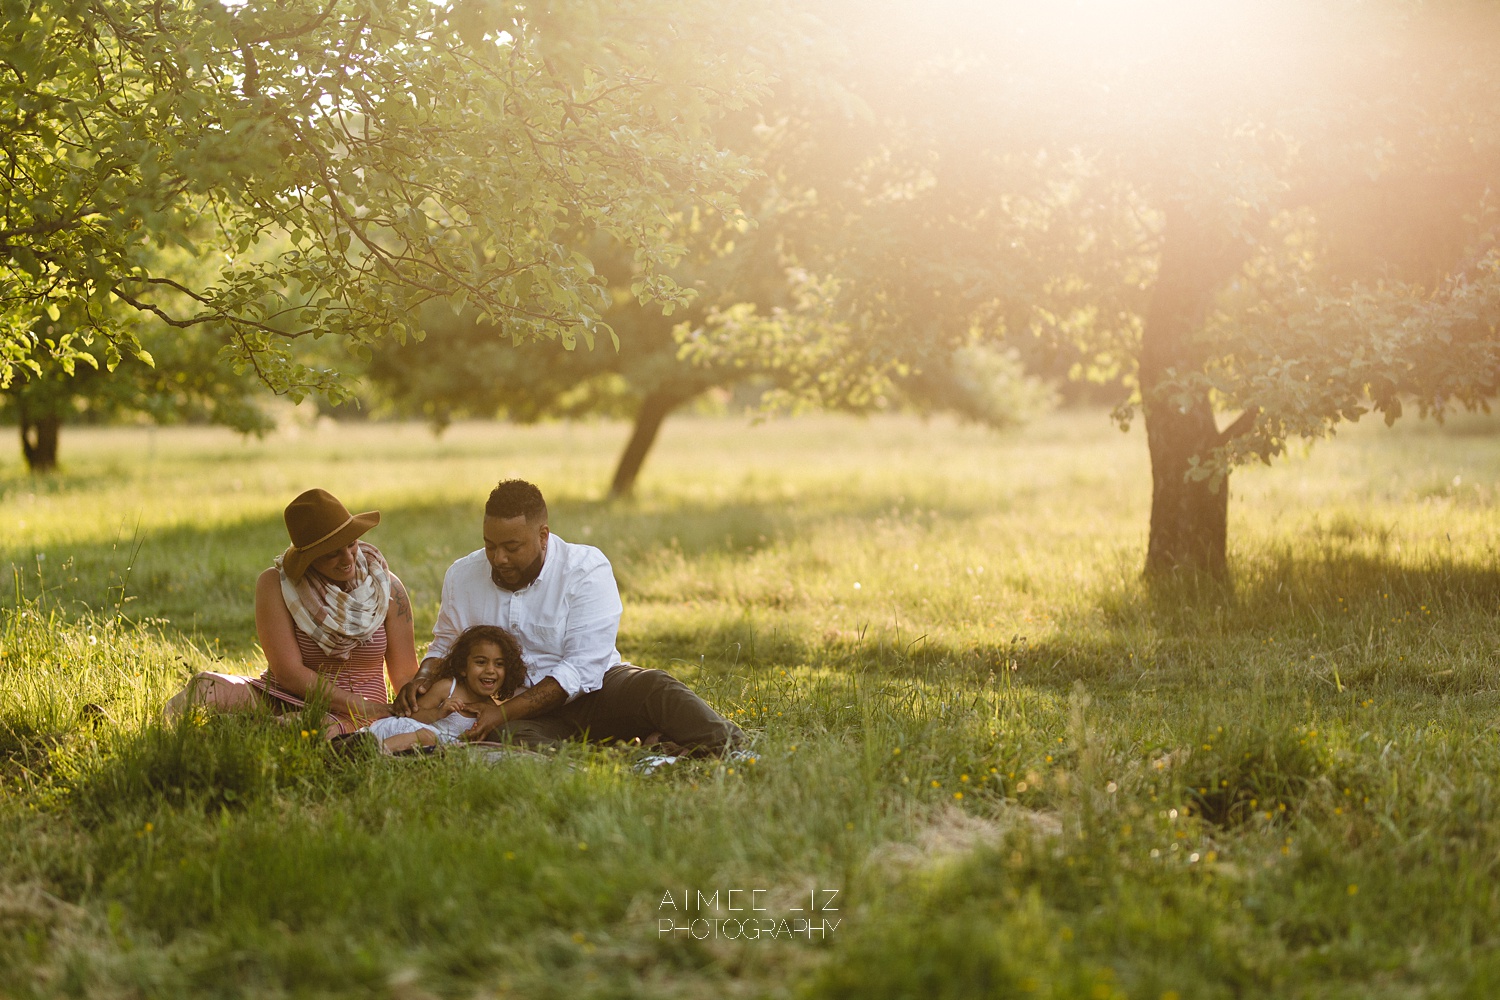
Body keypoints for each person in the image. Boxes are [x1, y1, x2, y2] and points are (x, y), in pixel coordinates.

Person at [394, 479, 744, 755]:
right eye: (490, 546)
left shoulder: (586, 569)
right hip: (514, 715)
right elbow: (445, 644)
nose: (498, 558)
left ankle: (732, 747)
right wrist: (422, 679)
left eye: (511, 548)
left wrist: (505, 710)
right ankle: (635, 749)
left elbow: (581, 667)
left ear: (543, 536)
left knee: (653, 686)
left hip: (596, 695)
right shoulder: (462, 575)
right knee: (505, 740)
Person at [165, 488, 419, 736]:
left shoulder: (385, 588)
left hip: (356, 712)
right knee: (203, 689)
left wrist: (413, 708)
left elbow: (406, 674)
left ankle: (242, 731)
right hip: (281, 695)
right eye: (332, 553)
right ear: (309, 557)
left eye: (351, 544)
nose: (347, 558)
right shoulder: (276, 584)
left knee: (301, 726)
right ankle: (230, 729)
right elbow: (289, 674)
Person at [366, 625, 526, 753]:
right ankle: (373, 752)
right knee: (426, 736)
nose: (490, 670)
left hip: (427, 750)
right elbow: (412, 715)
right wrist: (438, 713)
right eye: (481, 662)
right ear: (463, 666)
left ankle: (383, 754)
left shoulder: (491, 711)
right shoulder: (448, 687)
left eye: (499, 664)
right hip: (400, 733)